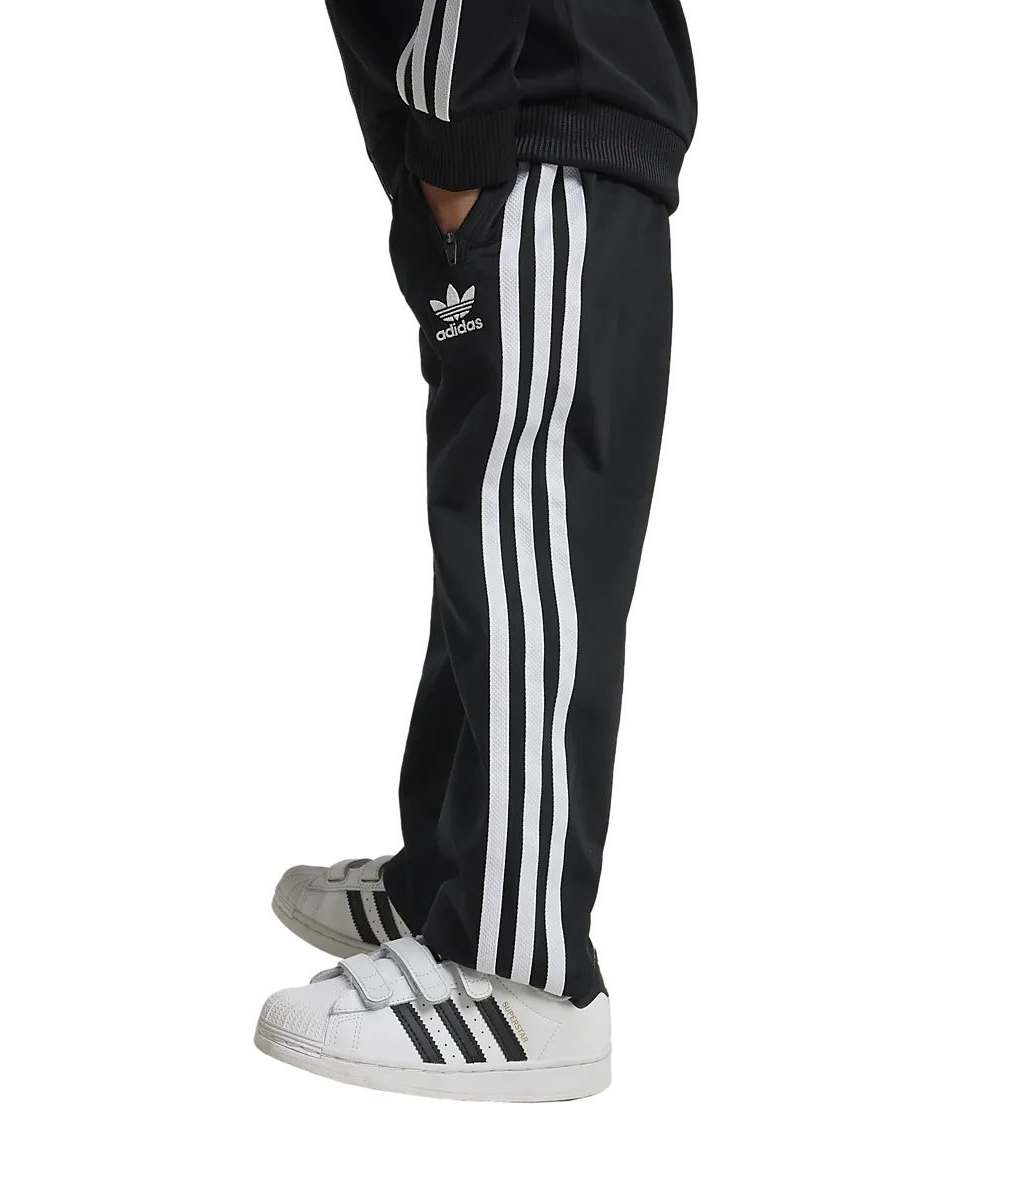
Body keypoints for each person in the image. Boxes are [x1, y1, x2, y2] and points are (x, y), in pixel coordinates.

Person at [254, 1, 698, 1102]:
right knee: (498, 542)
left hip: (526, 131)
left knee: (529, 542)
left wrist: (450, 147)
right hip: (531, 125)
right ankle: (446, 883)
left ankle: (515, 969)